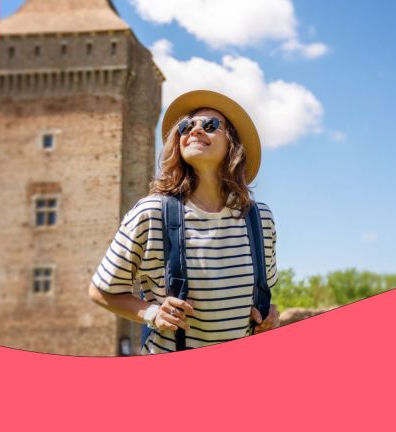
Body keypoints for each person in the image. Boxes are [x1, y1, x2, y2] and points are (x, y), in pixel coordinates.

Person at [88, 90, 280, 354]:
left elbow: (260, 296)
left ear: (233, 145)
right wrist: (151, 313)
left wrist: (268, 314)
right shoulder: (151, 213)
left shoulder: (260, 220)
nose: (195, 130)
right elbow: (101, 290)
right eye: (185, 126)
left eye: (210, 125)